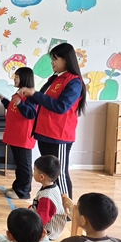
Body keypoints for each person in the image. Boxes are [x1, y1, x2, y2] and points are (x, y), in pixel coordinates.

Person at [18, 43, 87, 199]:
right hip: (45, 133)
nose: (52, 62)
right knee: (48, 174)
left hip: (59, 135)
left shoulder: (74, 82)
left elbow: (61, 106)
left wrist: (34, 94)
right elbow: (41, 99)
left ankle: (66, 209)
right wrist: (28, 96)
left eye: (55, 59)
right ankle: (52, 203)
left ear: (65, 59)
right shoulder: (55, 79)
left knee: (59, 174)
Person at [0, 67, 38, 200]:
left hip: (23, 137)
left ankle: (23, 192)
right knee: (19, 165)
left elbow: (30, 114)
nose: (14, 79)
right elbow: (14, 108)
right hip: (14, 136)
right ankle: (17, 187)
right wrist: (4, 101)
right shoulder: (18, 93)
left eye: (17, 77)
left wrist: (20, 103)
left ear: (25, 78)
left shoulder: (31, 96)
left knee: (24, 166)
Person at [29, 155, 67, 241]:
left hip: (48, 232)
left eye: (34, 170)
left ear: (41, 177)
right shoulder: (52, 186)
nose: (33, 172)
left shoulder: (47, 197)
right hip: (44, 223)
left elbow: (41, 220)